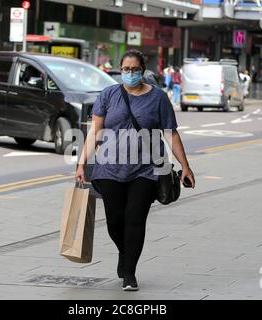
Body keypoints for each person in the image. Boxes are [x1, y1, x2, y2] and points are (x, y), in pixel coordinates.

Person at [75, 49, 195, 291]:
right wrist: (82, 163)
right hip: (109, 168)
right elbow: (95, 131)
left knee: (135, 219)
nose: (129, 73)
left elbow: (170, 134)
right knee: (114, 221)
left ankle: (129, 272)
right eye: (126, 69)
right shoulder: (108, 95)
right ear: (120, 69)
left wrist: (185, 166)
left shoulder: (158, 98)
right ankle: (125, 252)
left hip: (146, 169)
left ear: (143, 70)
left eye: (134, 69)